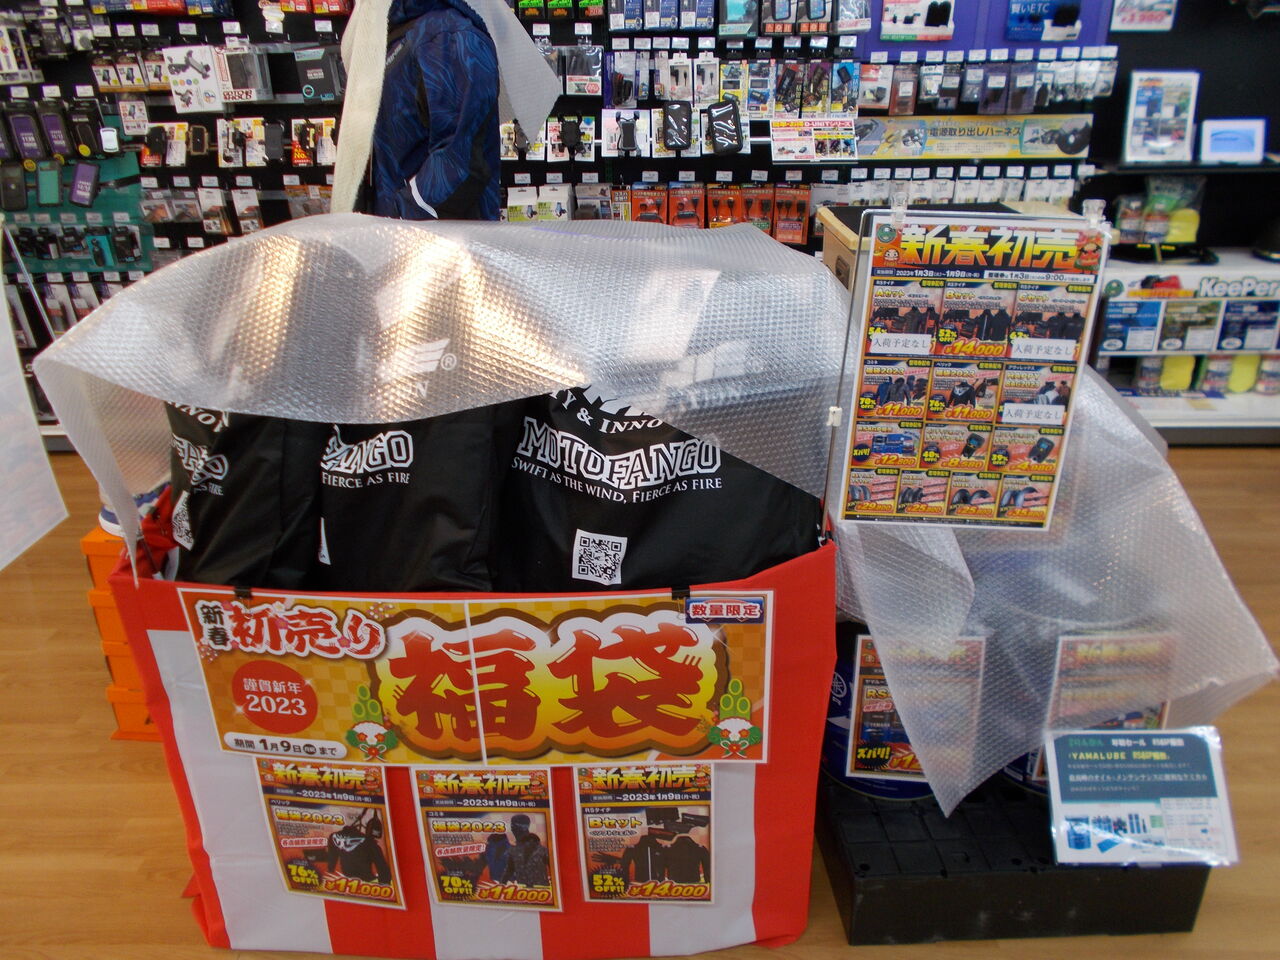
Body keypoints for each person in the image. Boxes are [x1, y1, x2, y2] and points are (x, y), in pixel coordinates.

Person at [502, 814, 550, 887]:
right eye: (512, 826)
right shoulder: (513, 851)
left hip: (542, 890)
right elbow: (509, 870)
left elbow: (554, 869)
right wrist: (501, 885)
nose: (512, 829)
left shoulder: (542, 850)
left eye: (514, 826)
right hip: (523, 891)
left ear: (524, 827)